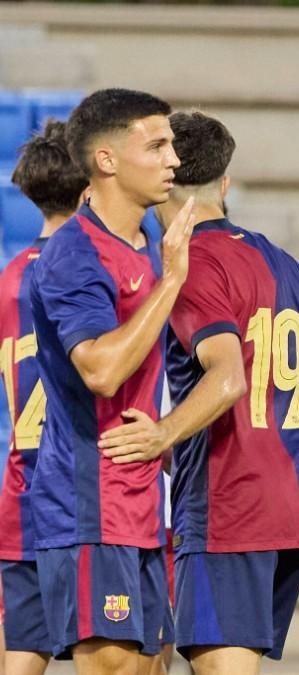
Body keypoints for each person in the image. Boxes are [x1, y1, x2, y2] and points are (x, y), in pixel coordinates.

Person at [99, 110, 299, 675]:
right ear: (226, 184)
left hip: (229, 507)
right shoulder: (278, 260)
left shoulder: (188, 266)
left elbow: (229, 376)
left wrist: (162, 433)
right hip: (293, 507)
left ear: (165, 176)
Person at [28, 88, 197, 673]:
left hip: (145, 504)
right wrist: (172, 282)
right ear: (106, 160)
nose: (173, 159)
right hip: (88, 508)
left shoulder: (151, 243)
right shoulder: (75, 254)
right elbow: (101, 369)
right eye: (156, 145)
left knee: (153, 666)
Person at [0, 121, 89, 675]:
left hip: (19, 487)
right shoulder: (89, 271)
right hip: (82, 492)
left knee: (22, 656)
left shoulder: (9, 277)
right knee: (123, 651)